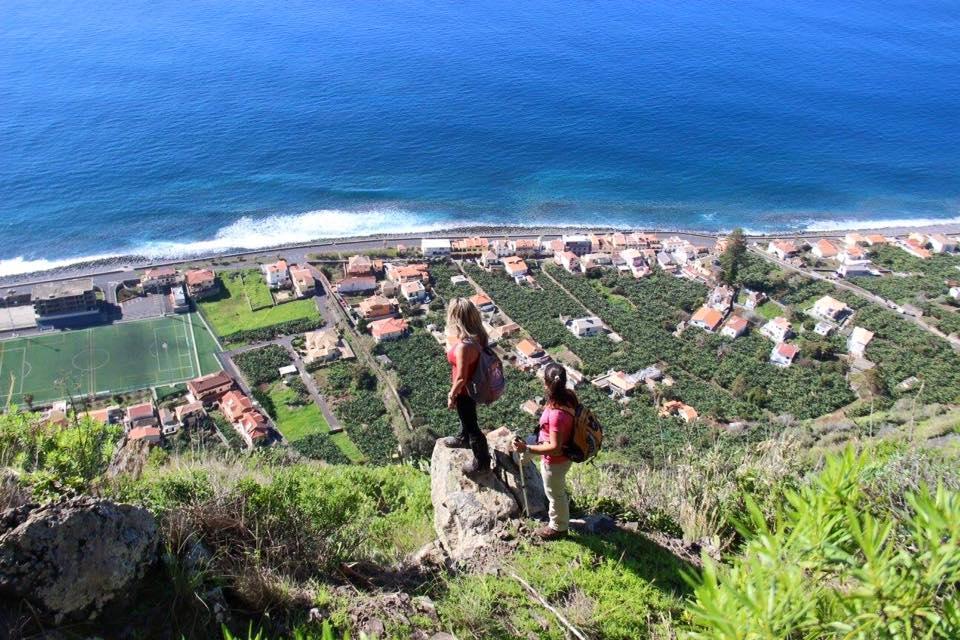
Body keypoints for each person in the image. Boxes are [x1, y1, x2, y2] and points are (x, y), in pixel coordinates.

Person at [512, 363, 575, 540]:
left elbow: (554, 447)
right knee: (520, 456)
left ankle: (558, 527)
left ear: (546, 383)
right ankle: (521, 461)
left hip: (556, 459)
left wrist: (528, 448)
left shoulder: (556, 414)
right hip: (560, 449)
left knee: (555, 494)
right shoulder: (568, 397)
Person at [442, 297, 492, 476]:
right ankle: (463, 438)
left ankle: (482, 462)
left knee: (472, 426)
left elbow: (462, 377)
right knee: (466, 420)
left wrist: (451, 394)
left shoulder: (464, 346)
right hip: (474, 386)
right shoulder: (479, 336)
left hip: (465, 390)